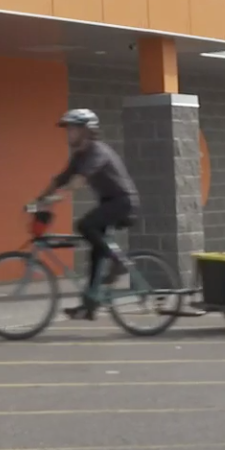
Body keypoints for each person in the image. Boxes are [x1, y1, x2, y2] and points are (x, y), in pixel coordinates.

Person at [34, 109, 139, 320]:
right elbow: (62, 178)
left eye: (72, 129)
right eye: (68, 130)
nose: (68, 134)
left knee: (85, 225)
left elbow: (79, 180)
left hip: (123, 201)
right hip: (108, 202)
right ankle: (89, 306)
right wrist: (39, 199)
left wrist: (58, 198)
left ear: (87, 130)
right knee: (95, 254)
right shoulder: (79, 156)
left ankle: (118, 262)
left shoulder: (97, 151)